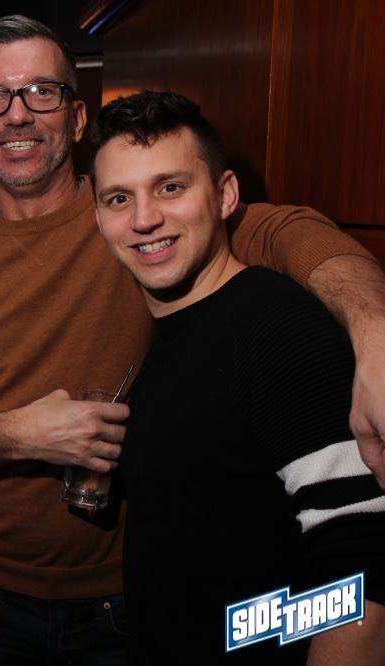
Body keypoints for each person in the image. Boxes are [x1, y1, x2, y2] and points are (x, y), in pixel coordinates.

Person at [0, 14, 385, 664]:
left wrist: (374, 328)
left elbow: (286, 230)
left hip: (124, 603)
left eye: (41, 91)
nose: (17, 114)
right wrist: (16, 434)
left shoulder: (139, 219)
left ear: (75, 116)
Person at [91, 89, 385, 663]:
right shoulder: (176, 328)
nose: (144, 219)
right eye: (119, 198)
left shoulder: (276, 327)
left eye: (170, 188)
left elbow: (363, 572)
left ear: (225, 195)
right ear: (98, 217)